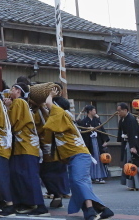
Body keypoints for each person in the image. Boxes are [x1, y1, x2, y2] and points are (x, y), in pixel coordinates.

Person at [43, 88, 113, 220]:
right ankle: (102, 209)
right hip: (77, 156)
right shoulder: (62, 118)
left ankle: (91, 210)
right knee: (78, 185)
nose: (49, 110)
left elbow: (48, 105)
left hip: (79, 155)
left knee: (78, 181)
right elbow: (46, 110)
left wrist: (50, 95)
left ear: (58, 107)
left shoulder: (61, 114)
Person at [4, 82, 48, 216]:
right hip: (25, 146)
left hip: (25, 146)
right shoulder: (24, 104)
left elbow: (11, 123)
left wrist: (6, 107)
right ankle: (26, 203)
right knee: (18, 175)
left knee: (29, 177)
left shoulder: (18, 103)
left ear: (18, 91)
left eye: (13, 89)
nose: (11, 91)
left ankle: (40, 207)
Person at [117, 102, 139, 191]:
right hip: (127, 142)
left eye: (119, 111)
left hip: (135, 143)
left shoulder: (131, 119)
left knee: (138, 163)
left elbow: (134, 134)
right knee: (130, 163)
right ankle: (132, 184)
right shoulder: (122, 119)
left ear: (125, 110)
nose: (118, 113)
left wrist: (133, 146)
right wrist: (122, 138)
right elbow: (121, 132)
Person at [78, 105, 110, 183]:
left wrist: (105, 141)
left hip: (97, 141)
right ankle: (92, 176)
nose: (95, 111)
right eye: (93, 110)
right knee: (91, 158)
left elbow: (102, 130)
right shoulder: (85, 120)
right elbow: (77, 121)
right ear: (89, 111)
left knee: (99, 158)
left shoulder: (97, 120)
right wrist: (81, 112)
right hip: (89, 142)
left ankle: (99, 176)